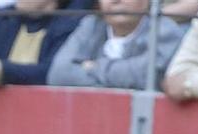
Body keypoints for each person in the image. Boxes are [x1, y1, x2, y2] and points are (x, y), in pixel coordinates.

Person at [46, 0, 187, 90]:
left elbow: (147, 76)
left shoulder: (165, 30)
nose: (116, 1)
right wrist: (119, 79)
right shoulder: (91, 24)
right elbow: (58, 74)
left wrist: (94, 67)